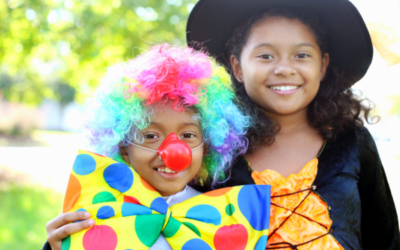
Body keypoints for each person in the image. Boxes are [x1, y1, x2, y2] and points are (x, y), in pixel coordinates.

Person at [186, 0, 400, 249]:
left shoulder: (352, 140)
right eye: (265, 56)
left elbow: (386, 241)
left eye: (302, 55)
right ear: (237, 67)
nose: (284, 69)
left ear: (322, 65)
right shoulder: (212, 150)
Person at [43, 44, 271, 250]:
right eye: (151, 135)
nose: (172, 151)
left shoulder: (224, 215)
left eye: (188, 135)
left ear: (207, 146)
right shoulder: (98, 210)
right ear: (124, 148)